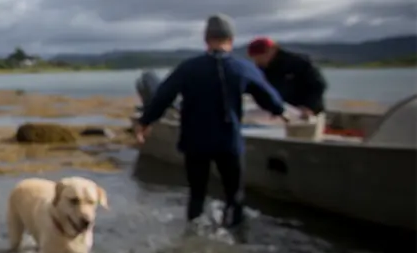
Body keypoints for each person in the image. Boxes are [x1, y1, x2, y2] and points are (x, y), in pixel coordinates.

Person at [133, 14, 287, 228]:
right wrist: (277, 110)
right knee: (235, 196)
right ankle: (236, 243)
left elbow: (162, 96)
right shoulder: (242, 68)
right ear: (231, 40)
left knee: (197, 194)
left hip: (195, 143)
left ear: (206, 40)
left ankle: (193, 233)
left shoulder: (188, 68)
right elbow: (271, 100)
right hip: (228, 142)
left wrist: (145, 122)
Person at [246, 36, 329, 120]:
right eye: (255, 57)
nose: (258, 60)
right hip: (280, 109)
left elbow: (318, 85)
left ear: (273, 50)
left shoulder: (298, 63)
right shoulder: (261, 68)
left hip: (305, 111)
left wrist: (309, 106)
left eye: (261, 55)